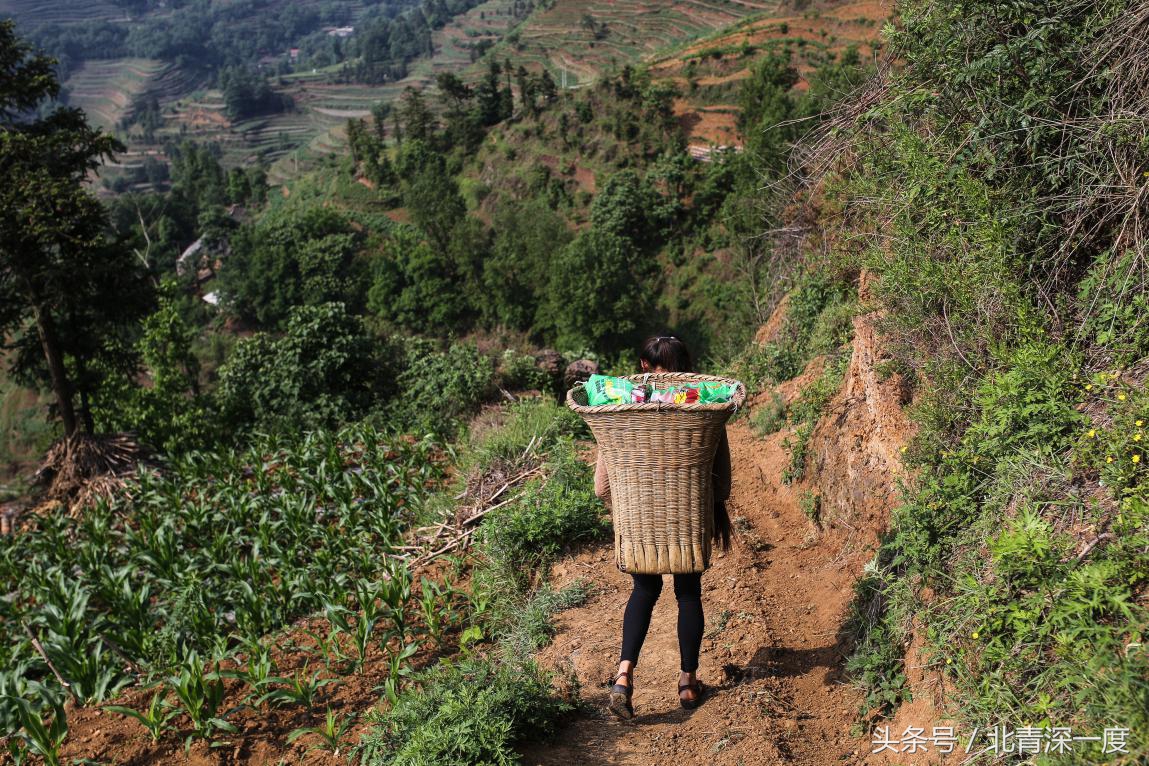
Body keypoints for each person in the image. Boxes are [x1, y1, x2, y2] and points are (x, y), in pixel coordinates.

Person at [593, 335, 732, 719]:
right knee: (688, 594)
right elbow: (722, 485)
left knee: (644, 590)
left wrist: (628, 508)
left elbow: (601, 487)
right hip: (687, 521)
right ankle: (688, 682)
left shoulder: (619, 410)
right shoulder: (703, 407)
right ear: (686, 365)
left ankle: (623, 677)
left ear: (643, 365)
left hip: (641, 525)